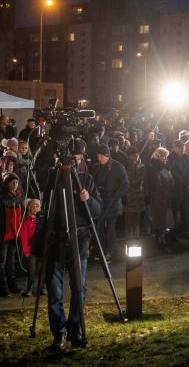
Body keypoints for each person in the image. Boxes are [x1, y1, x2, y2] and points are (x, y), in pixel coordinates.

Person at [44, 138, 102, 350]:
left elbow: (97, 211)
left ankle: (75, 329)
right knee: (54, 291)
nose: (72, 164)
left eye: (76, 160)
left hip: (80, 240)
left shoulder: (86, 180)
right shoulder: (54, 178)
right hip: (56, 242)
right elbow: (39, 179)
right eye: (69, 159)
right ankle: (58, 333)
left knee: (79, 289)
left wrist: (88, 200)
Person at [91, 144, 129, 261]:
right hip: (99, 203)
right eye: (98, 156)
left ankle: (110, 252)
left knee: (111, 229)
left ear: (107, 155)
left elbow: (125, 184)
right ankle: (100, 250)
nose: (99, 159)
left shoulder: (118, 167)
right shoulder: (96, 167)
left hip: (112, 203)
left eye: (102, 156)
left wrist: (115, 197)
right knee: (99, 227)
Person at [0, 172, 23, 296]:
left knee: (11, 259)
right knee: (2, 261)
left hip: (14, 234)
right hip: (3, 234)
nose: (15, 185)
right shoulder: (2, 198)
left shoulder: (18, 197)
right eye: (13, 182)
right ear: (6, 184)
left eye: (17, 182)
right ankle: (3, 286)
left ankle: (12, 284)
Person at [168, 140, 189, 238]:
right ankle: (174, 231)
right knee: (175, 211)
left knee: (186, 211)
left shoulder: (187, 158)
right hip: (176, 189)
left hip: (187, 189)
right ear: (174, 148)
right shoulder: (170, 159)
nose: (182, 149)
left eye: (182, 147)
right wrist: (184, 183)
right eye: (179, 147)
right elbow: (172, 173)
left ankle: (185, 230)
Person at [148, 147, 176, 248]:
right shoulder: (154, 168)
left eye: (166, 157)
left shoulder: (165, 167)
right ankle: (159, 239)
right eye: (164, 157)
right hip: (159, 199)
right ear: (158, 157)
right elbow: (156, 185)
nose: (166, 159)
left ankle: (163, 238)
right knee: (159, 220)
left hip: (167, 198)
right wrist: (165, 194)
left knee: (165, 220)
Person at [19, 198, 41, 297]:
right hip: (31, 250)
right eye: (33, 206)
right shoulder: (26, 221)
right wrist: (26, 250)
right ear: (29, 207)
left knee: (41, 269)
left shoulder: (41, 220)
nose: (35, 208)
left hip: (40, 250)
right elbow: (23, 237)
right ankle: (29, 288)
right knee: (31, 270)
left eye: (37, 206)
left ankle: (42, 287)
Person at [123, 146, 146, 240]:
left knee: (137, 218)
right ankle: (129, 237)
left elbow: (144, 180)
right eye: (133, 154)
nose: (136, 156)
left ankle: (136, 237)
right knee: (129, 218)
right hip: (129, 197)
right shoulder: (125, 166)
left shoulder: (142, 165)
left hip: (139, 197)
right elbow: (125, 181)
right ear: (129, 156)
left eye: (137, 154)